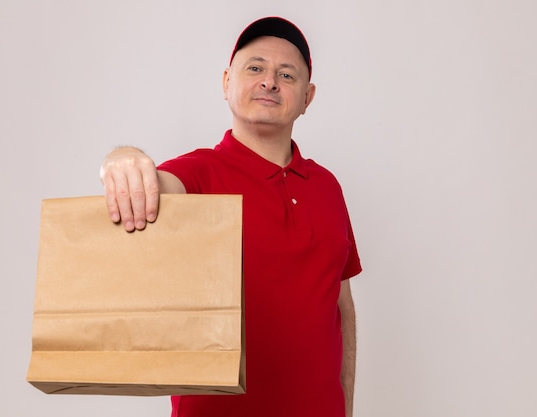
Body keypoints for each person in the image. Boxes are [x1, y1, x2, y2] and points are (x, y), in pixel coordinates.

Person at [100, 16, 362, 417]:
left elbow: (341, 307)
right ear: (226, 82)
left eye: (286, 74)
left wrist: (347, 404)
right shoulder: (199, 172)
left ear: (307, 98)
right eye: (255, 68)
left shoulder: (328, 187)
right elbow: (153, 184)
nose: (269, 81)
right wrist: (123, 161)